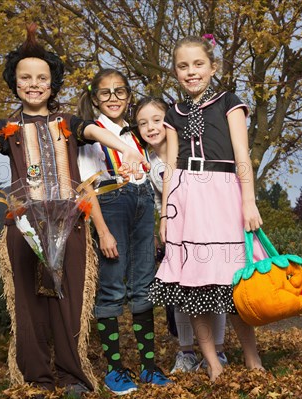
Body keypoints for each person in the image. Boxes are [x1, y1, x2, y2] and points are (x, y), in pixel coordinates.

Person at [0, 25, 148, 398]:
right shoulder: (6, 129)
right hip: (23, 225)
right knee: (28, 304)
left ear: (52, 83)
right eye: (26, 77)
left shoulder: (69, 123)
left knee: (69, 302)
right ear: (16, 82)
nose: (34, 84)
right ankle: (37, 379)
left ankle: (73, 376)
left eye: (42, 77)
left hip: (71, 224)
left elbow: (98, 133)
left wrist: (132, 152)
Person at [147, 35, 265, 382]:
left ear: (213, 68)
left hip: (225, 193)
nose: (191, 72)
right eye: (183, 66)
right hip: (187, 200)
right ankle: (211, 361)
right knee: (194, 283)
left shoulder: (229, 102)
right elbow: (169, 167)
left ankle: (251, 356)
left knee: (237, 281)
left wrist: (248, 201)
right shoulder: (173, 113)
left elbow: (242, 156)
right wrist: (166, 214)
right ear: (175, 72)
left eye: (198, 64)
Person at [76, 69, 171, 396]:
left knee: (144, 286)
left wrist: (160, 218)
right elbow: (87, 187)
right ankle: (115, 370)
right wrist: (102, 231)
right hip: (111, 209)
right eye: (105, 93)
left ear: (129, 97)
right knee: (112, 289)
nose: (113, 98)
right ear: (95, 98)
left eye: (120, 92)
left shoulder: (136, 134)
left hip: (143, 207)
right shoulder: (91, 133)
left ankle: (148, 366)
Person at [134, 97, 229, 374]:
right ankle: (186, 352)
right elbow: (153, 200)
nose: (151, 127)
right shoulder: (148, 163)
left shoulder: (191, 149)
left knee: (216, 288)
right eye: (142, 123)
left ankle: (219, 351)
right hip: (176, 230)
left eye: (156, 120)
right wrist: (157, 229)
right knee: (180, 293)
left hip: (207, 224)